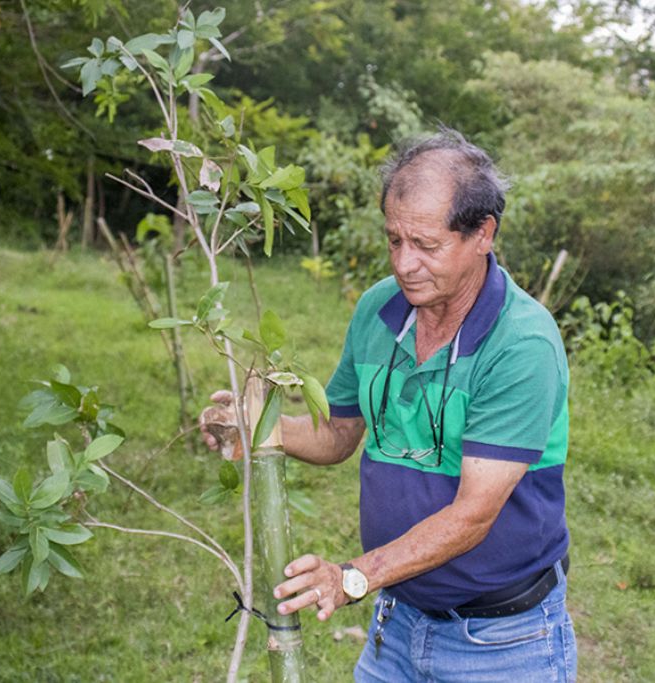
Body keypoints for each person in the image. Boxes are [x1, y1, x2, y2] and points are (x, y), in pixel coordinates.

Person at [202, 128, 575, 681]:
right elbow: (339, 433)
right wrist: (258, 427)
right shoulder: (382, 309)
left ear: (483, 234)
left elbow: (473, 516)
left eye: (425, 245)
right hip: (398, 621)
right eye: (394, 240)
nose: (404, 263)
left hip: (500, 641)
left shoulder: (521, 344)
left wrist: (352, 576)